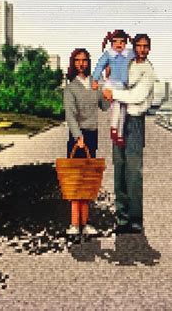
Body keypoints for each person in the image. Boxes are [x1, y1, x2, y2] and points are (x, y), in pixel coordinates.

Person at [103, 34, 154, 234]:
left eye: (145, 46)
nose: (142, 49)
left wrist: (114, 93)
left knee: (133, 172)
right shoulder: (127, 63)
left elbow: (137, 96)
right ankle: (121, 218)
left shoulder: (147, 70)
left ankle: (135, 220)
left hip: (135, 122)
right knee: (119, 169)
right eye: (138, 46)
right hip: (120, 120)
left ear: (149, 49)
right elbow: (116, 80)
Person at [64, 48, 109, 235]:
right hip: (77, 137)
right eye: (77, 60)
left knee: (88, 181)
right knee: (75, 181)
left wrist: (107, 92)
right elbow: (70, 115)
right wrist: (78, 136)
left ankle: (86, 222)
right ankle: (75, 224)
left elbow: (104, 106)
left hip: (92, 136)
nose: (81, 63)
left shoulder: (94, 83)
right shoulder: (71, 88)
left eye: (84, 60)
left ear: (88, 63)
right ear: (73, 63)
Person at [91, 29, 134, 147]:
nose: (119, 44)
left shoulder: (129, 53)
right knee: (117, 105)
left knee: (124, 110)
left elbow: (138, 57)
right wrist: (95, 79)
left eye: (122, 41)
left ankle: (120, 134)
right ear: (111, 43)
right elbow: (99, 66)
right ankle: (113, 128)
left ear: (126, 43)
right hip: (112, 84)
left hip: (125, 85)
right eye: (115, 41)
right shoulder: (109, 54)